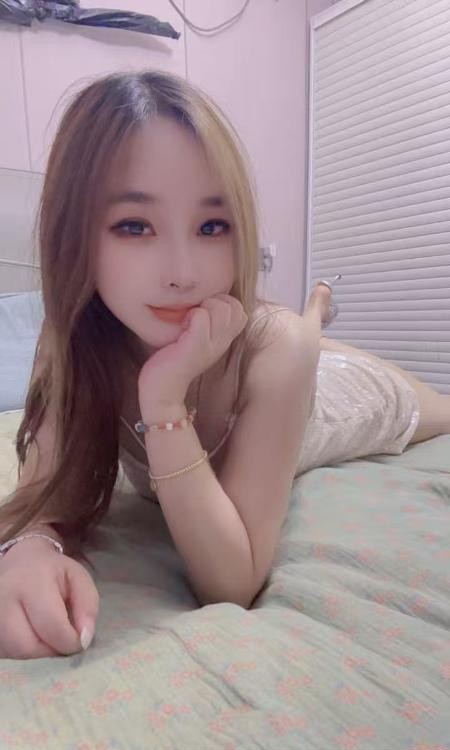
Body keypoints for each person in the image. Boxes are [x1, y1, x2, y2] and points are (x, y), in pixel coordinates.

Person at [0, 71, 449, 661]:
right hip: (275, 356)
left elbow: (231, 581)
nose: (183, 272)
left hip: (326, 404)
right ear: (74, 233)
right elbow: (43, 493)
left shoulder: (274, 351)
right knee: (299, 337)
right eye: (134, 225)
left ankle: (313, 321)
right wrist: (32, 547)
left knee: (410, 396)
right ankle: (316, 312)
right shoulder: (70, 344)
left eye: (212, 226)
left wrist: (164, 400)